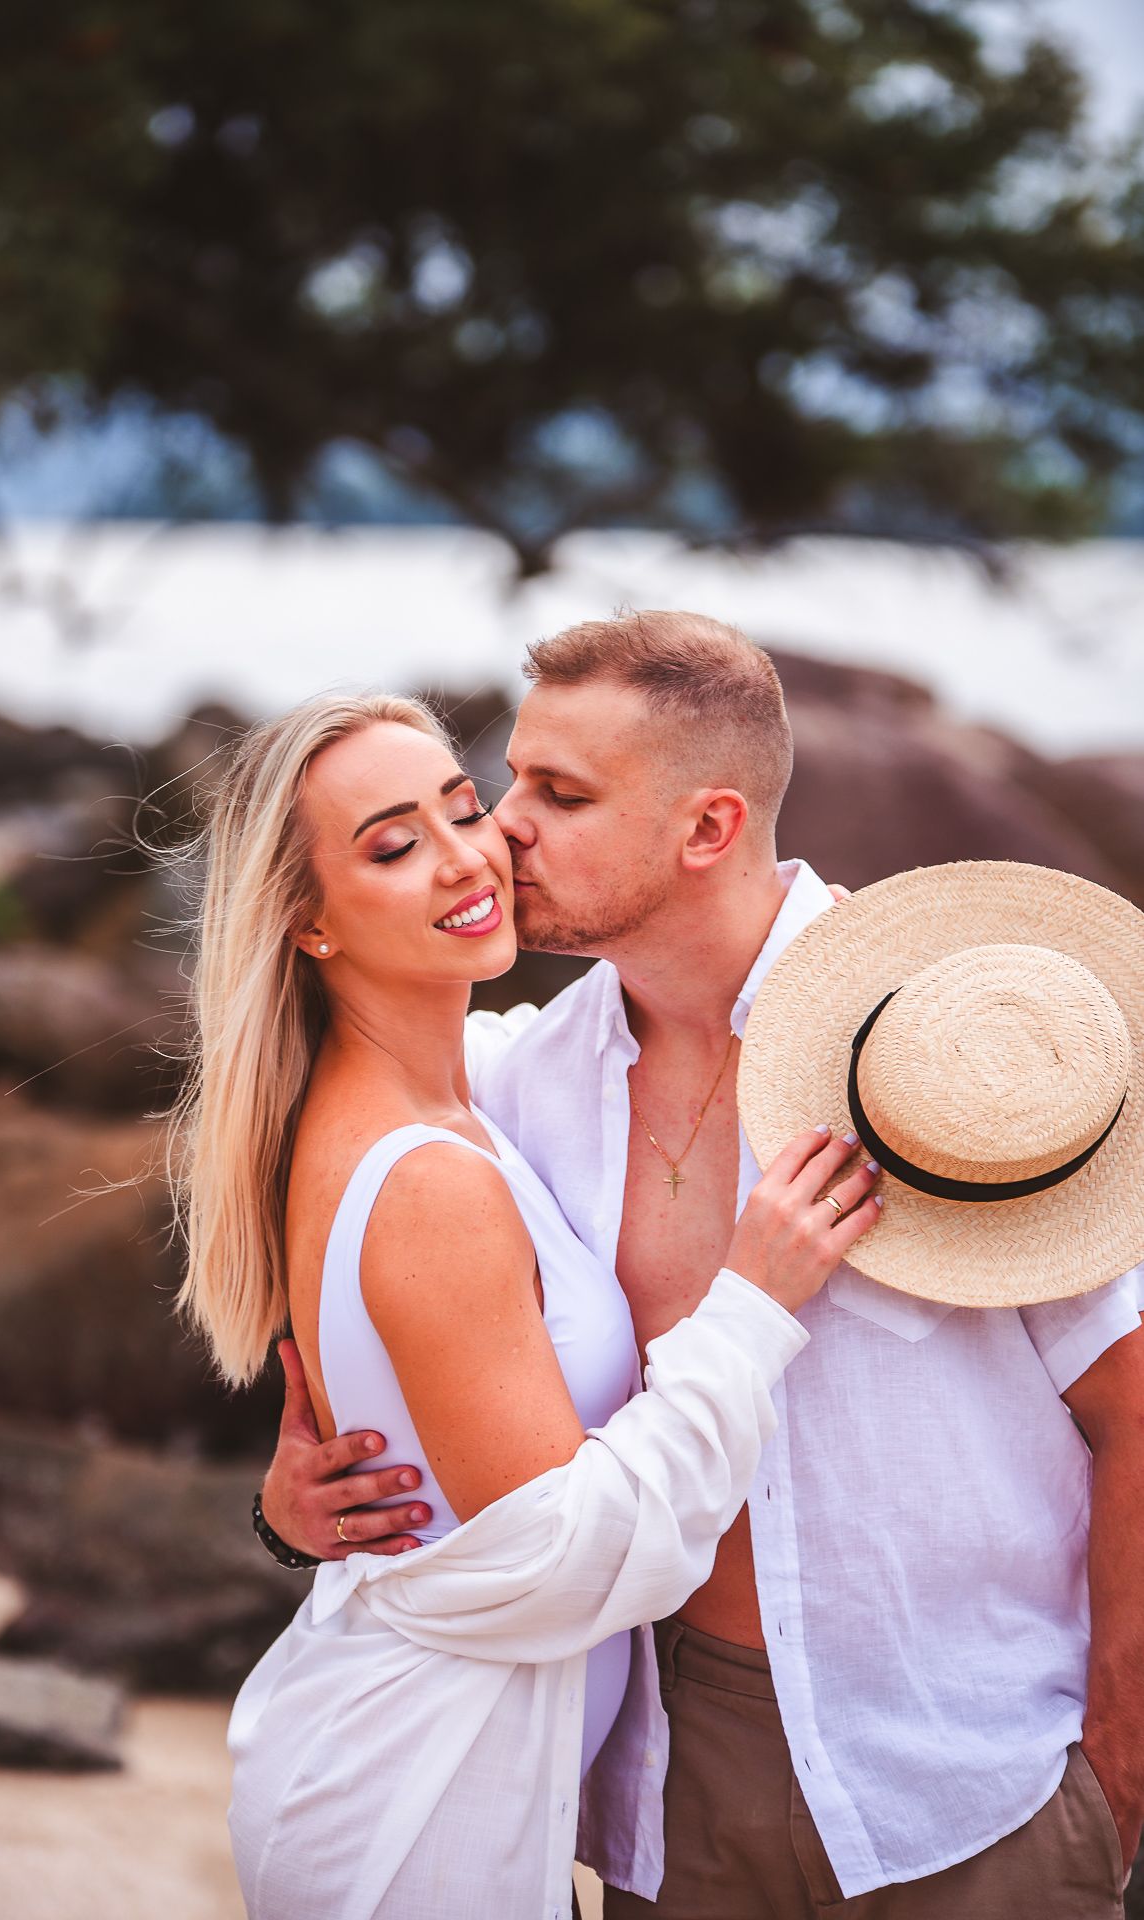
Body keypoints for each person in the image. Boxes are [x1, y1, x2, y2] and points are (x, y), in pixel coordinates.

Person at [261, 611, 1144, 1919]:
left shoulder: (943, 1067)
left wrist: (1118, 1766)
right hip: (666, 1802)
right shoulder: (514, 1086)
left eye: (558, 794)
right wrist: (298, 1500)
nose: (502, 829)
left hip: (969, 1782)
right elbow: (404, 1268)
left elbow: (1133, 1410)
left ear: (708, 830)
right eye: (511, 780)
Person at [170, 688, 880, 1919]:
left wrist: (291, 1512)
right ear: (309, 924)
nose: (469, 854)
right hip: (417, 1800)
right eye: (392, 847)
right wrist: (749, 1308)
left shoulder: (471, 1093)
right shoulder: (431, 1174)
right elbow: (559, 1557)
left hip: (447, 1765)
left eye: (462, 806)